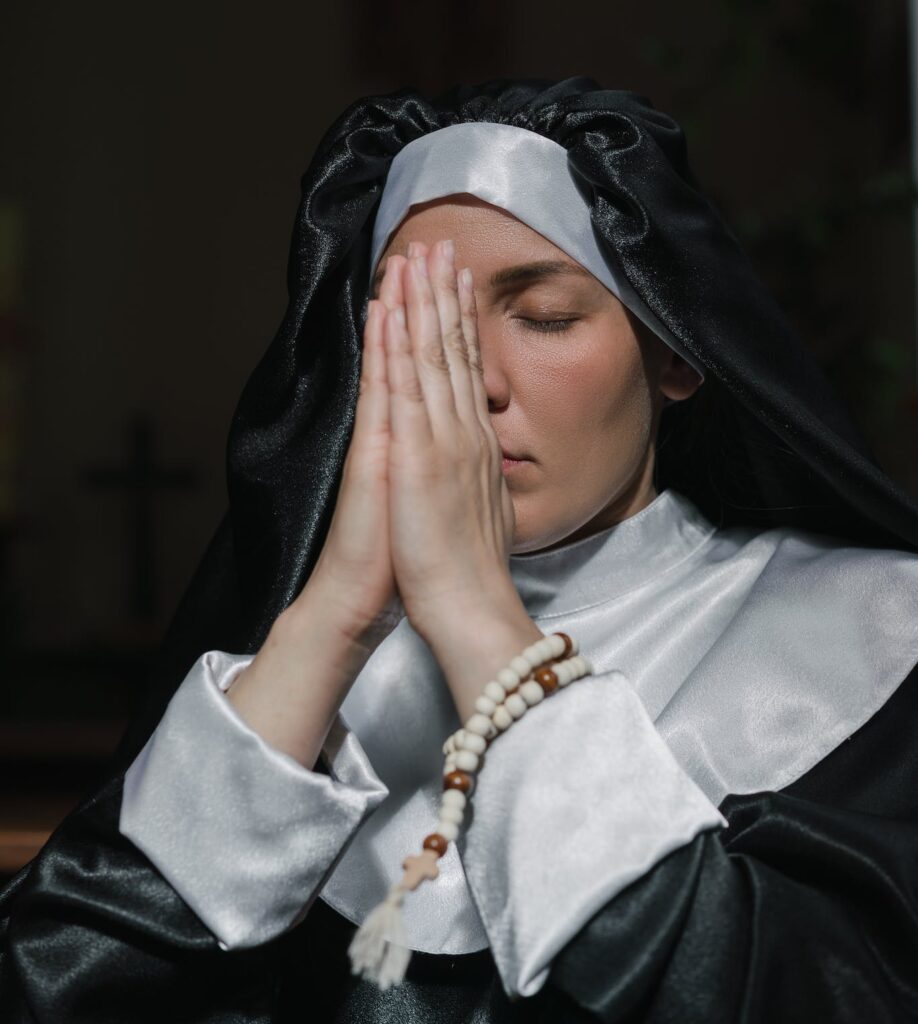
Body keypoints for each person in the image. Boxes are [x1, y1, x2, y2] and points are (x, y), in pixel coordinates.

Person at [2, 75, 918, 1023]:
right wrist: (334, 616)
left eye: (545, 316)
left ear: (677, 348)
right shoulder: (295, 672)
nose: (470, 383)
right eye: (416, 327)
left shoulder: (878, 635)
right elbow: (50, 990)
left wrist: (475, 612)